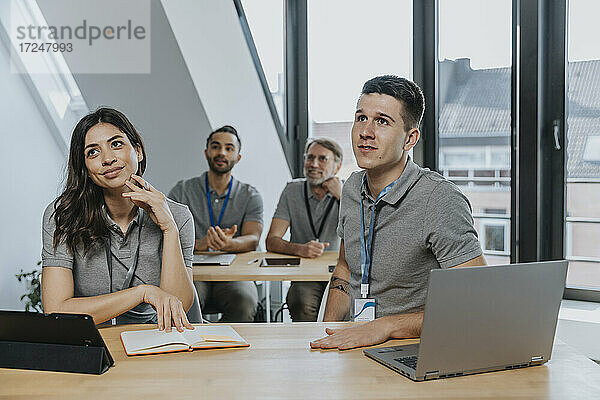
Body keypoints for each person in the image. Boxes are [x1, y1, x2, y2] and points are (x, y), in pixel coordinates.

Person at [310, 75, 486, 350]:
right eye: (361, 118)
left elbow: (476, 300)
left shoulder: (438, 198)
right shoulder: (353, 187)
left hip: (415, 349)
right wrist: (326, 334)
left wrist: (386, 325)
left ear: (409, 139)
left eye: (382, 121)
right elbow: (345, 269)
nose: (365, 132)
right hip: (355, 344)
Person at [41, 107, 196, 332]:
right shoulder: (63, 217)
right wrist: (142, 293)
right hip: (94, 343)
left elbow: (176, 306)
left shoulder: (178, 216)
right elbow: (57, 310)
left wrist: (169, 228)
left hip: (159, 341)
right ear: (84, 166)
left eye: (116, 144)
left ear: (138, 151)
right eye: (93, 152)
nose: (108, 159)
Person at [168, 125, 263, 322]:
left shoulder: (250, 195)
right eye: (216, 146)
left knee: (245, 302)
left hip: (233, 274)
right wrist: (197, 245)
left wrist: (230, 245)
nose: (221, 152)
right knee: (183, 303)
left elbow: (253, 239)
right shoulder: (182, 190)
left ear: (238, 157)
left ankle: (224, 346)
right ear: (206, 152)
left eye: (229, 148)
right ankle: (196, 348)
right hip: (193, 272)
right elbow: (166, 235)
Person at [266, 138, 343, 321]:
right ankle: (308, 347)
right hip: (305, 274)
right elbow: (271, 240)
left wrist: (341, 197)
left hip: (339, 272)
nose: (313, 164)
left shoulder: (349, 191)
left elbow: (366, 232)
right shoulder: (292, 190)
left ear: (337, 167)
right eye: (310, 158)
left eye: (322, 159)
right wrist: (300, 249)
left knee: (343, 308)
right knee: (300, 301)